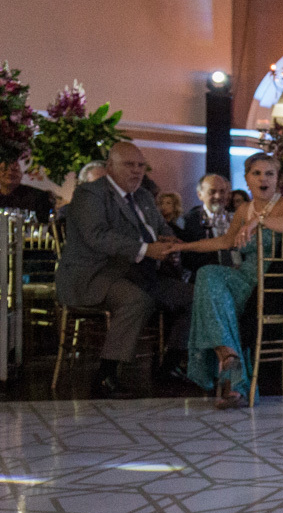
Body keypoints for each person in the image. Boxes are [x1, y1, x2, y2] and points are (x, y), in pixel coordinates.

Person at [55, 142, 193, 398]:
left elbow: (162, 228)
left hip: (141, 274)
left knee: (196, 297)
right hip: (95, 274)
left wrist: (169, 242)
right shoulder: (90, 194)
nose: (137, 171)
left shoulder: (142, 196)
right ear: (110, 167)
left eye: (141, 166)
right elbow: (98, 236)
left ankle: (170, 366)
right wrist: (146, 249)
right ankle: (105, 376)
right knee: (135, 300)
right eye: (129, 165)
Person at [175, 153, 283, 408]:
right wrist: (183, 247)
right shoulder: (243, 209)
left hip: (273, 283)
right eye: (256, 173)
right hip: (245, 277)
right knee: (207, 274)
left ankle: (232, 381)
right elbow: (224, 242)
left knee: (214, 295)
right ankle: (229, 356)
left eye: (269, 173)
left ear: (277, 180)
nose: (263, 178)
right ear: (247, 179)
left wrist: (257, 222)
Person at [180, 174, 233, 277]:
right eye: (212, 192)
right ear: (200, 195)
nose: (218, 196)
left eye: (222, 191)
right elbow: (186, 259)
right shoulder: (189, 221)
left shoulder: (234, 218)